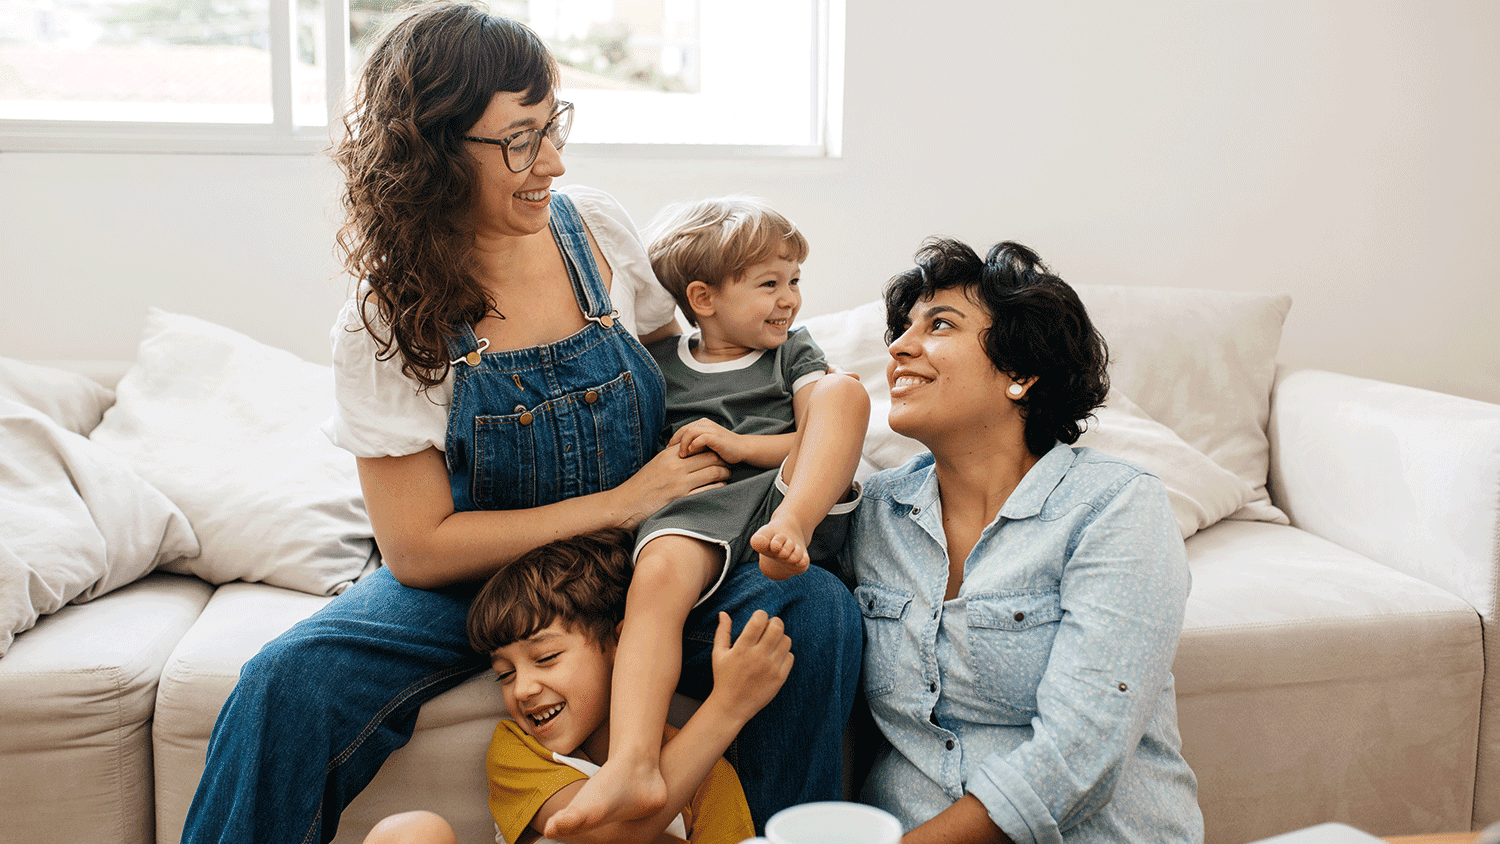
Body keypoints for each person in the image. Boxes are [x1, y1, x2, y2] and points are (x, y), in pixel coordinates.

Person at [178, 4, 862, 841]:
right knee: (288, 682)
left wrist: (763, 453)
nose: (554, 161)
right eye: (519, 140)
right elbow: (419, 548)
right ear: (431, 153)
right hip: (478, 580)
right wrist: (615, 502)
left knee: (814, 610)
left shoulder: (598, 232)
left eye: (553, 126)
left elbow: (681, 381)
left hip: (647, 555)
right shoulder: (387, 321)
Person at [843, 239, 1203, 843]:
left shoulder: (1115, 505)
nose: (900, 348)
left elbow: (1080, 748)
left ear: (1021, 372)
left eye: (939, 325)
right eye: (902, 330)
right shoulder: (876, 513)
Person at [549, 196, 870, 837]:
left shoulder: (793, 354)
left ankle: (795, 531)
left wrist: (744, 447)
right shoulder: (660, 366)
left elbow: (819, 433)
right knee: (660, 571)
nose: (790, 301)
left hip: (788, 496)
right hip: (702, 509)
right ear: (703, 298)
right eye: (769, 285)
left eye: (795, 282)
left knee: (843, 389)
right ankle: (635, 761)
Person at [361, 528, 787, 844]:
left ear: (622, 643)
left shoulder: (706, 772)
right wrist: (727, 708)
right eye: (504, 674)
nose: (523, 689)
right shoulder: (519, 751)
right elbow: (609, 833)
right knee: (412, 833)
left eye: (545, 658)